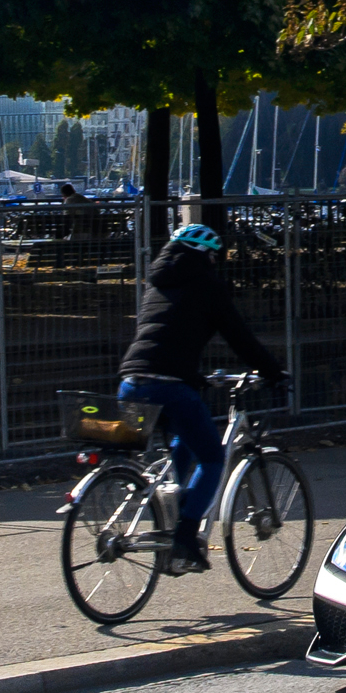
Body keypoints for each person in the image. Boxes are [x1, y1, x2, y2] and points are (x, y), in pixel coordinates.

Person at [118, 223, 287, 576]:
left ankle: (178, 499)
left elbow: (163, 336)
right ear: (206, 255)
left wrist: (194, 377)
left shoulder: (157, 283)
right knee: (212, 459)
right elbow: (238, 336)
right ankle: (184, 534)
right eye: (213, 255)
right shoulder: (207, 285)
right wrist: (273, 371)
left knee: (183, 437)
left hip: (132, 382)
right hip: (170, 385)